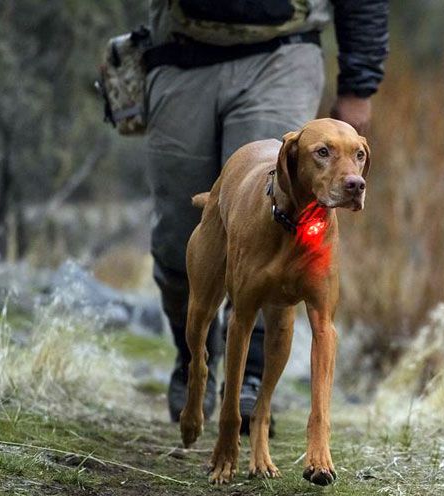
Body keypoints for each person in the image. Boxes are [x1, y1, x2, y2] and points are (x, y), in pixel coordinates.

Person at [143, 0, 389, 429]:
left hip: (281, 51)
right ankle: (194, 357)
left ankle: (253, 382)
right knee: (179, 229)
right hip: (181, 52)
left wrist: (358, 85)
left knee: (280, 216)